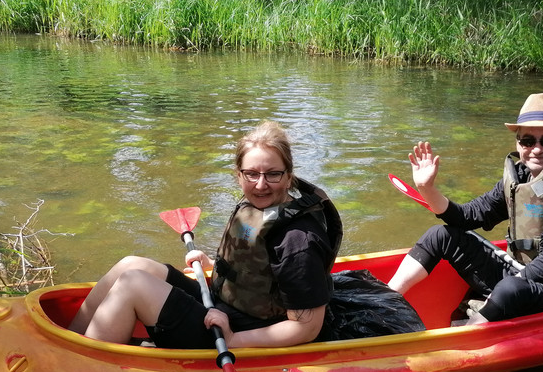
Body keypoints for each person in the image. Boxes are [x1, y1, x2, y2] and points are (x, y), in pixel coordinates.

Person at [70, 121, 342, 348]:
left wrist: (234, 339)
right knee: (131, 265)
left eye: (273, 174)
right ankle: (71, 342)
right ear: (238, 175)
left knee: (133, 284)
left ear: (288, 176)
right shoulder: (257, 209)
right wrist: (214, 265)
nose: (261, 184)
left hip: (240, 332)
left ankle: (88, 368)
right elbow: (256, 271)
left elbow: (307, 329)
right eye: (251, 174)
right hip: (220, 306)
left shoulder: (299, 241)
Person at [387, 93, 543, 324]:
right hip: (522, 272)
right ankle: (383, 302)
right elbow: (469, 216)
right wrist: (427, 188)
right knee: (440, 235)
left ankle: (461, 341)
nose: (536, 149)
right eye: (527, 141)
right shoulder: (522, 175)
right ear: (518, 142)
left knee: (509, 289)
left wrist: (501, 291)